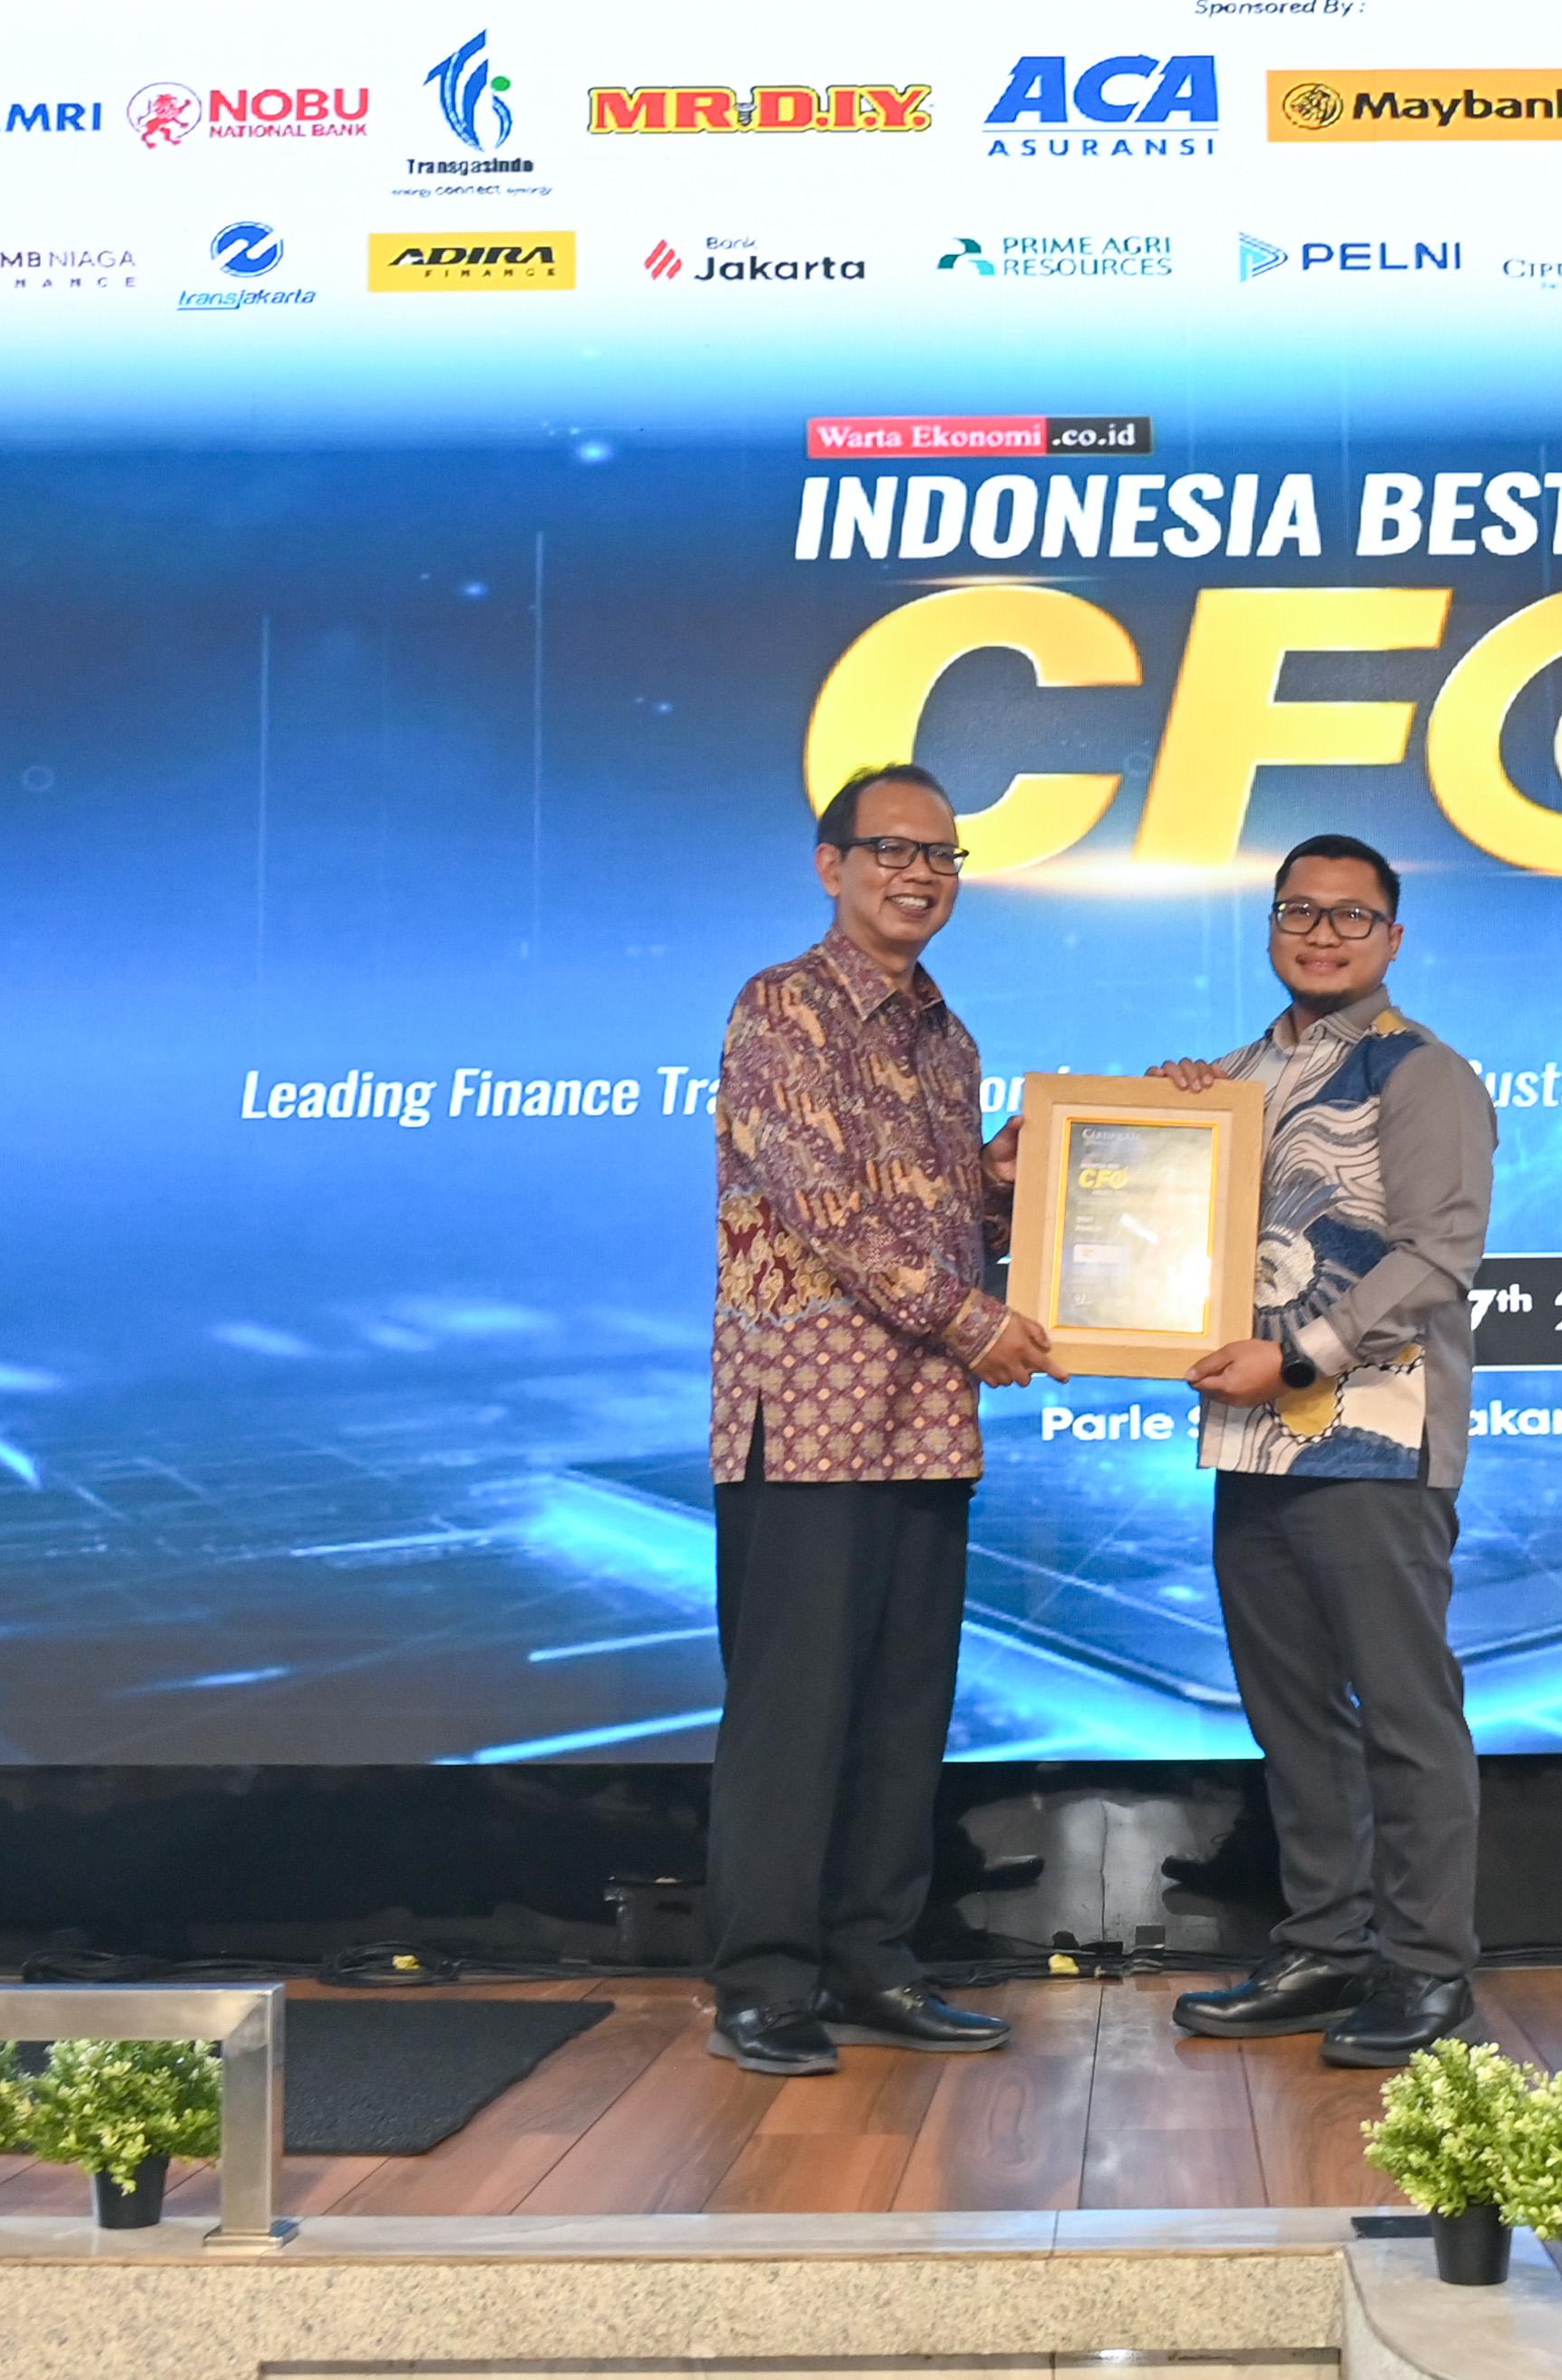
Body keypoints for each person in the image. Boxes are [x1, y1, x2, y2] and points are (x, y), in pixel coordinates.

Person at [704, 763, 1061, 2076]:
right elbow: (829, 1213)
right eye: (894, 851)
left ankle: (874, 1961)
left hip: (925, 1422)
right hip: (805, 1422)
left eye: (942, 857)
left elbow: (939, 1219)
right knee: (792, 1717)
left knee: (905, 1708)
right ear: (832, 864)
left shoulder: (946, 1037)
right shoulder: (781, 1007)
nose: (921, 875)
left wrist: (1015, 1175)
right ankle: (764, 1982)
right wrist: (976, 1322)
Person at [1150, 833, 1497, 2067]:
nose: (1323, 934)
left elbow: (1437, 1258)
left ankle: (1427, 1970)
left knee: (1405, 1715)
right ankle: (1327, 1946)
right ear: (1272, 927)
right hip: (1254, 1446)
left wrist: (1298, 1358)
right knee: (1291, 1714)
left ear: (1392, 938)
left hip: (1376, 1444)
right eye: (1300, 911)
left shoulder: (1422, 1072)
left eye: (1352, 916)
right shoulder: (1237, 1076)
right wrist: (1160, 1120)